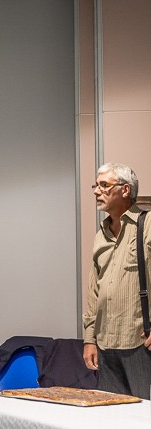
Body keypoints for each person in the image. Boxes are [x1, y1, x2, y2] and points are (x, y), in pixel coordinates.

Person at [83, 162, 151, 398]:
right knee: (111, 411)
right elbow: (94, 291)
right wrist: (89, 340)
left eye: (104, 185)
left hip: (140, 342)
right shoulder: (100, 235)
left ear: (125, 190)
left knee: (144, 412)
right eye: (96, 185)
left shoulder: (147, 225)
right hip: (105, 344)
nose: (96, 191)